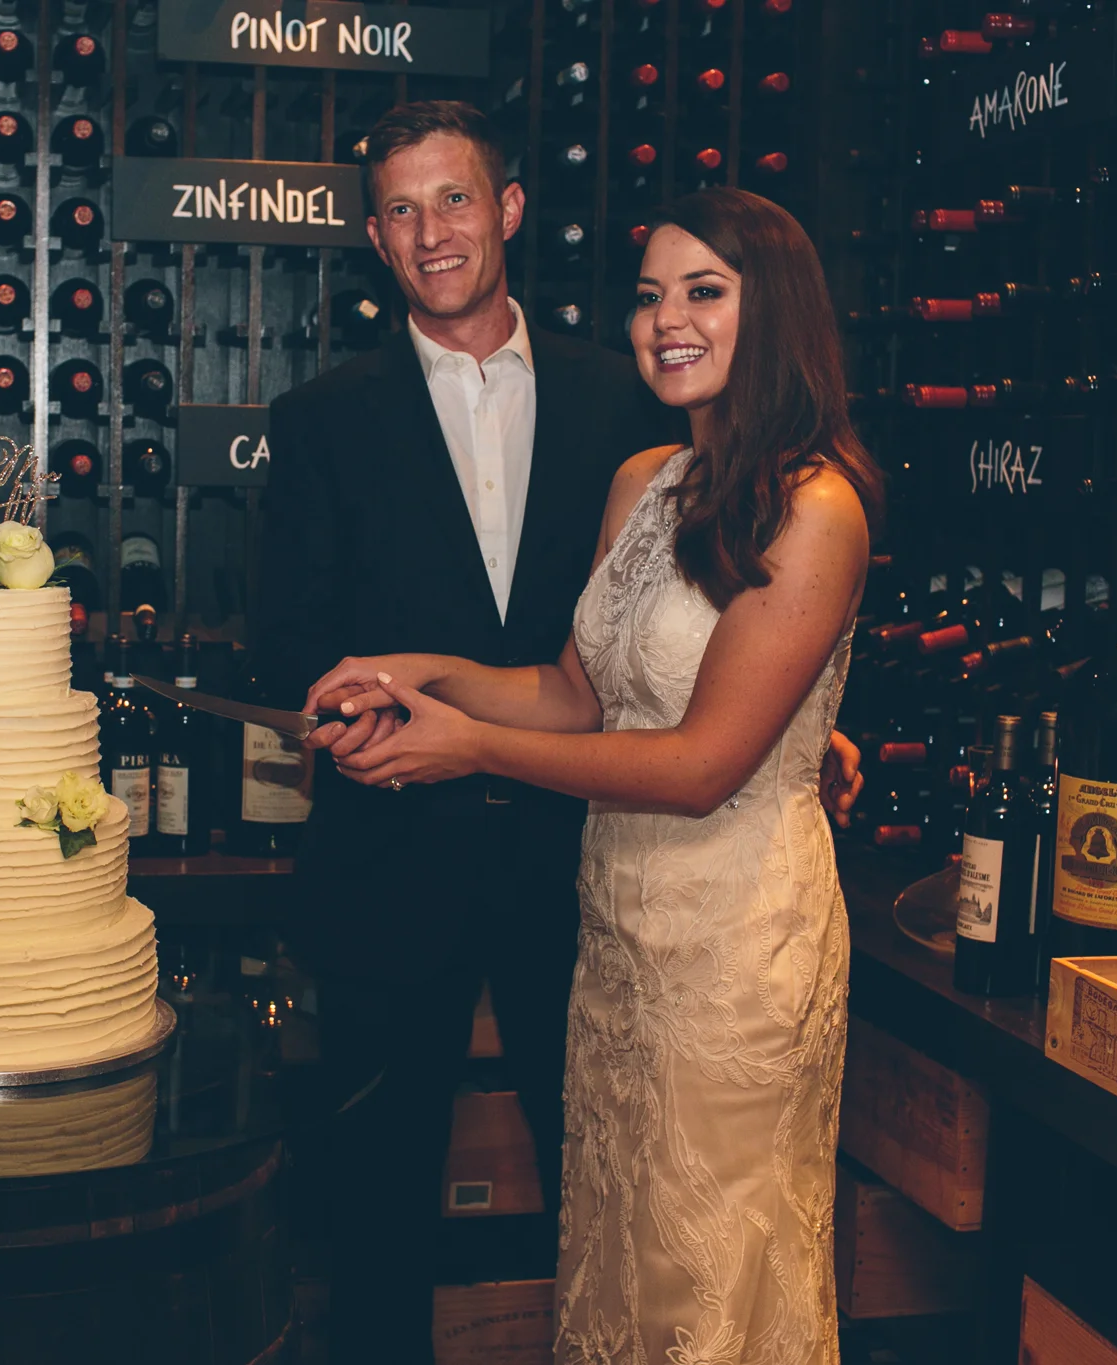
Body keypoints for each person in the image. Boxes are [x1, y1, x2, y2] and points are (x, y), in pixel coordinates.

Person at [257, 101, 863, 1363]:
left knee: (714, 1259)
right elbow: (575, 684)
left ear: (509, 209)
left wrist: (790, 734)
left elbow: (704, 755)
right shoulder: (649, 476)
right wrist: (410, 674)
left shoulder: (784, 490)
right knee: (608, 1241)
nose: (667, 322)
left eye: (702, 293)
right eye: (651, 295)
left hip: (719, 935)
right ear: (373, 237)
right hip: (586, 909)